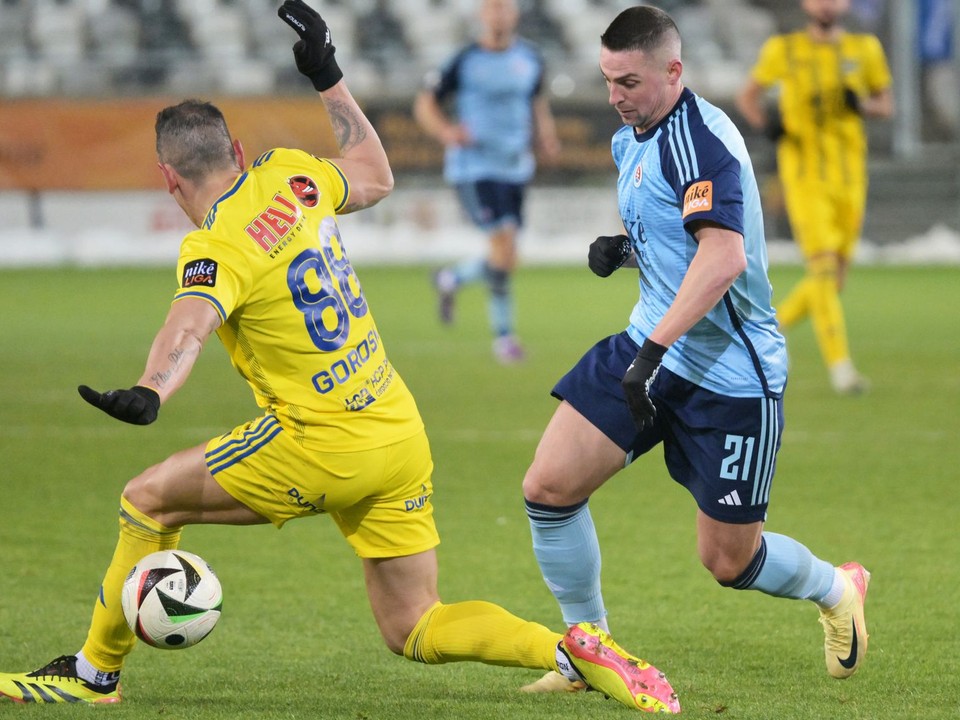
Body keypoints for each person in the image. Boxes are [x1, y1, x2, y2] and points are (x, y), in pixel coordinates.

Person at [0, 1, 678, 714]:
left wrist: (151, 391)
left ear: (168, 180)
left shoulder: (214, 244)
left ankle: (92, 674)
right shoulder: (292, 174)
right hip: (396, 429)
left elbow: (189, 325)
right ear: (235, 152)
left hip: (319, 443)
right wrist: (326, 74)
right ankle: (570, 650)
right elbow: (377, 175)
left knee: (144, 500)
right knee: (415, 625)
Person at [519, 5, 871, 696]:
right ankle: (590, 654)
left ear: (673, 71)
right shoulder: (633, 138)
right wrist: (626, 252)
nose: (615, 96)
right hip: (655, 344)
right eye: (608, 80)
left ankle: (837, 586)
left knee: (728, 560)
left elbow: (724, 257)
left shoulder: (702, 141)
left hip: (732, 374)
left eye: (629, 81)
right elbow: (679, 242)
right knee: (548, 489)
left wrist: (649, 351)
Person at [736, 0, 893, 394]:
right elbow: (748, 98)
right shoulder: (784, 49)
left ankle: (767, 329)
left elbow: (886, 104)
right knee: (822, 272)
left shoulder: (865, 49)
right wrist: (769, 126)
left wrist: (861, 105)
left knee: (833, 281)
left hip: (851, 178)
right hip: (805, 178)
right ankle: (842, 369)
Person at [413, 0, 561, 364]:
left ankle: (451, 279)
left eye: (505, 8)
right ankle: (504, 338)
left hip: (515, 168)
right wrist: (447, 131)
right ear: (482, 14)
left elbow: (536, 103)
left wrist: (546, 136)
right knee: (503, 247)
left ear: (514, 14)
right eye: (492, 7)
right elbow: (425, 103)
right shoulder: (464, 60)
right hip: (474, 168)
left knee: (508, 256)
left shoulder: (530, 58)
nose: (499, 14)